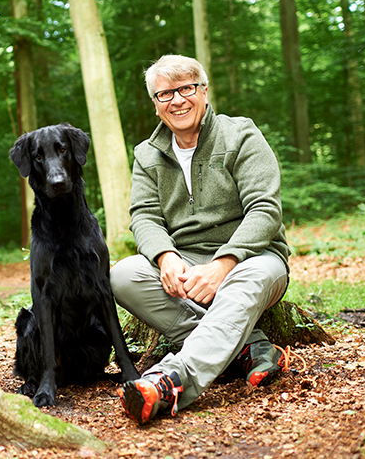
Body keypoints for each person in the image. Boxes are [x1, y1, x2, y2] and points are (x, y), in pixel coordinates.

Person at [111, 54, 291, 424]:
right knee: (123, 275)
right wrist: (165, 257)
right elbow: (144, 216)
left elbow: (265, 210)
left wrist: (225, 264)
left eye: (186, 89)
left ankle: (173, 380)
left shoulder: (240, 133)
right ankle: (247, 348)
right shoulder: (147, 155)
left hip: (255, 258)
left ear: (204, 91)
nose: (177, 100)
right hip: (185, 261)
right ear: (156, 105)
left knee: (246, 280)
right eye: (165, 94)